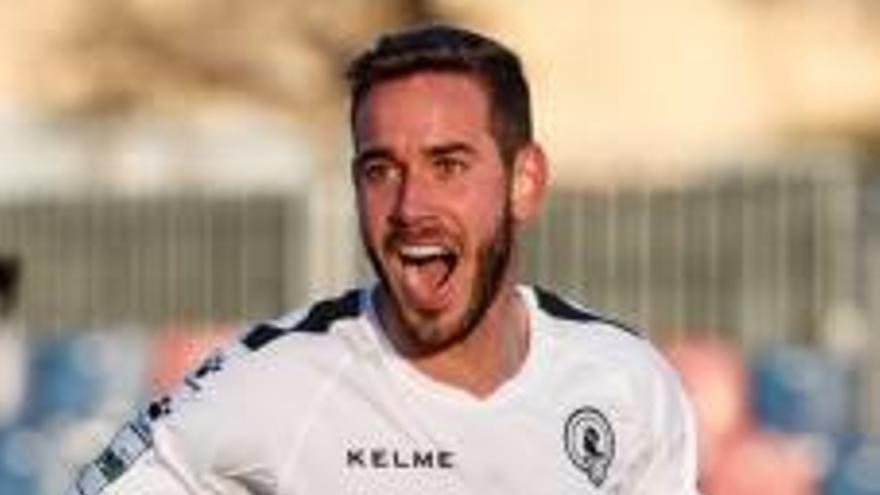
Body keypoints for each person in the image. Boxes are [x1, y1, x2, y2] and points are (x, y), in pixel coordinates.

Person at [67, 24, 700, 495]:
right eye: (380, 170)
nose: (409, 206)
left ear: (524, 181)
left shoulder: (629, 384)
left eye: (448, 165)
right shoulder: (274, 379)